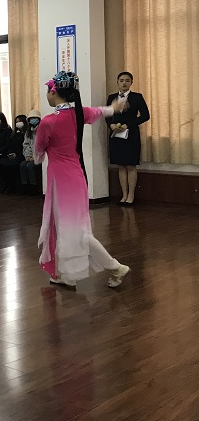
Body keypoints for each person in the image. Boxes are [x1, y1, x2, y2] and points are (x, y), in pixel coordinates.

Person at [36, 71, 130, 289]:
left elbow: (38, 153)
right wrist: (114, 108)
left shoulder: (49, 122)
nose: (47, 96)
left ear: (53, 92)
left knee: (75, 231)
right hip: (76, 177)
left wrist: (39, 155)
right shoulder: (79, 113)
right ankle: (67, 274)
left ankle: (115, 266)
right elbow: (100, 111)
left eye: (48, 91)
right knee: (68, 228)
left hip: (62, 182)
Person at [106, 71, 150, 206]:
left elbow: (145, 116)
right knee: (121, 165)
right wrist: (111, 125)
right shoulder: (112, 97)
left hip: (131, 135)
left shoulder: (137, 97)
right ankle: (124, 195)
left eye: (127, 80)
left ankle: (131, 195)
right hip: (116, 135)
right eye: (121, 80)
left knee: (130, 165)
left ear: (131, 82)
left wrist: (128, 125)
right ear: (117, 82)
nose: (124, 83)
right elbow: (107, 114)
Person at [0, 114, 27, 194]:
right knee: (1, 163)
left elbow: (24, 147)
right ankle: (5, 185)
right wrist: (10, 153)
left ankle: (13, 187)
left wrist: (17, 154)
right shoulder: (14, 134)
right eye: (16, 122)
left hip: (21, 155)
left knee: (12, 165)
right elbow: (9, 145)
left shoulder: (26, 134)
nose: (18, 124)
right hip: (12, 154)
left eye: (20, 121)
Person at [21, 110, 42, 195]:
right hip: (31, 156)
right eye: (31, 118)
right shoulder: (28, 132)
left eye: (35, 118)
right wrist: (28, 156)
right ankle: (25, 186)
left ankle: (34, 187)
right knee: (22, 165)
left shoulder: (42, 130)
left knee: (30, 166)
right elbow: (26, 145)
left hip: (40, 157)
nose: (33, 120)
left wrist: (36, 157)